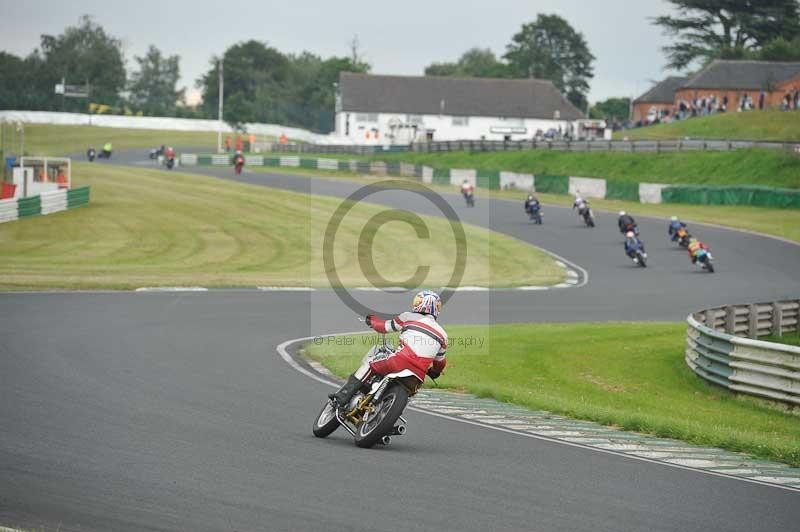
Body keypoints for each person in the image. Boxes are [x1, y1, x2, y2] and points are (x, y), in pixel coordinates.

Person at [328, 291, 448, 407]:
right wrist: (434, 372)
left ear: (420, 305)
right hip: (418, 377)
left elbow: (383, 327)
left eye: (417, 302)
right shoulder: (443, 335)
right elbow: (440, 363)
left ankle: (342, 397)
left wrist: (372, 320)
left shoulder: (408, 317)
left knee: (371, 363)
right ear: (436, 309)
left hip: (398, 361)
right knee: (409, 395)